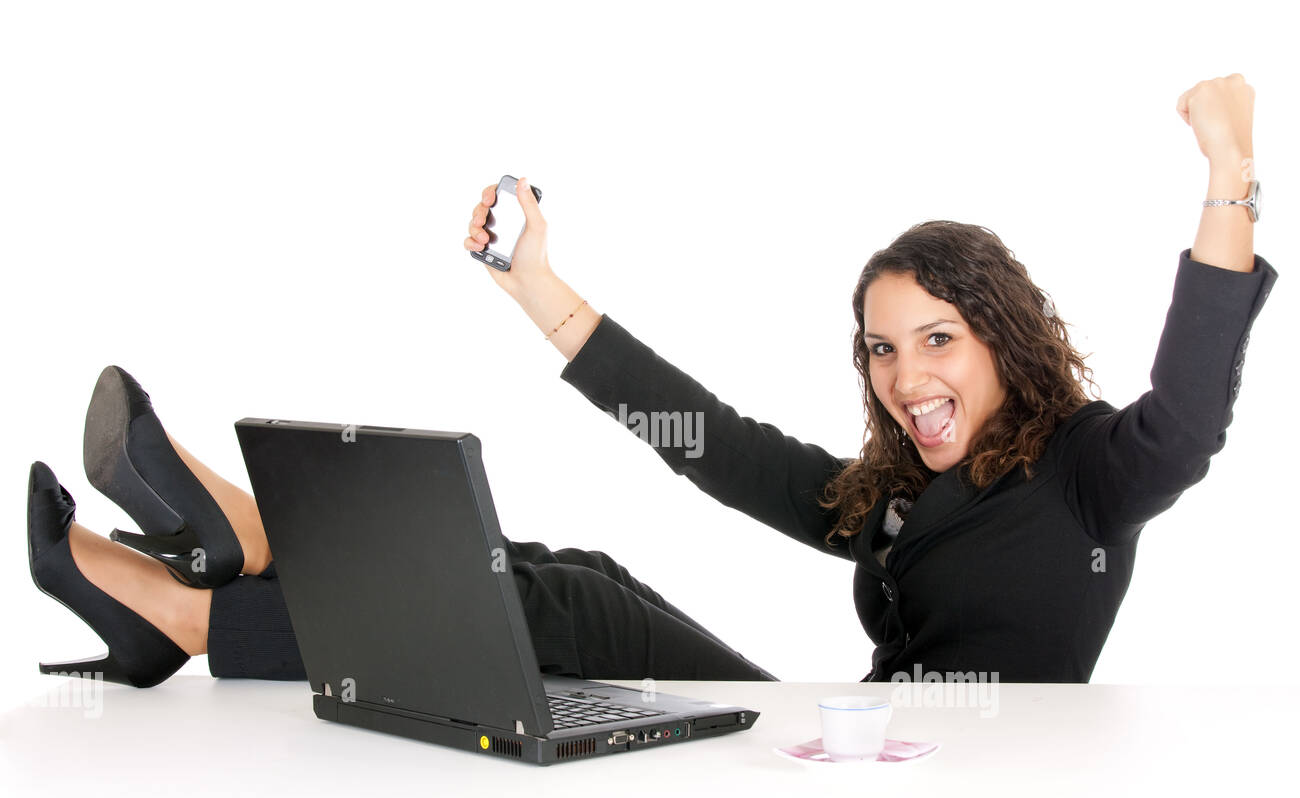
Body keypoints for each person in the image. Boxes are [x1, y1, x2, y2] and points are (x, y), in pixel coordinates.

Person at [28, 75, 1276, 688]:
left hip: (928, 794)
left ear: (1002, 338)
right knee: (587, 577)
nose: (907, 376)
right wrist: (537, 287)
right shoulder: (896, 491)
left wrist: (1227, 164)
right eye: (884, 348)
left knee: (574, 617)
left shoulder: (1091, 477)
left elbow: (1192, 405)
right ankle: (250, 541)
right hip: (869, 752)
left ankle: (196, 612)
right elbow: (713, 443)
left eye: (939, 338)